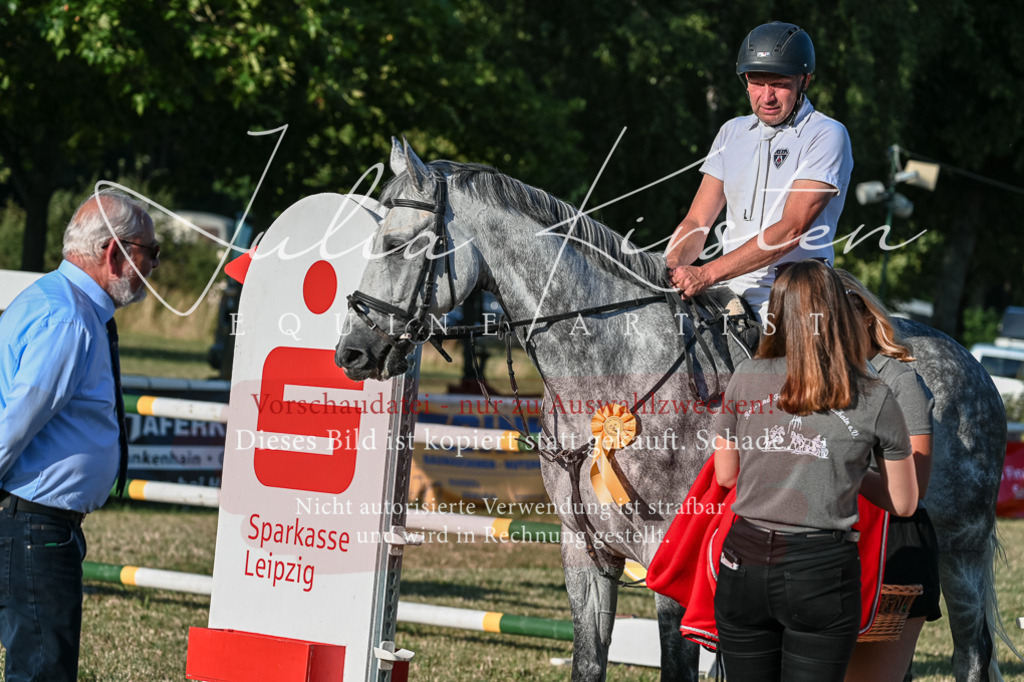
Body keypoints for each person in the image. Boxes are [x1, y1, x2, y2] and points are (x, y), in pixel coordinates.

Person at [711, 259, 918, 681]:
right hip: (821, 569)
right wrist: (846, 470)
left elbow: (726, 475)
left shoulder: (745, 376)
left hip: (743, 559)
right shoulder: (876, 395)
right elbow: (904, 503)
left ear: (777, 314)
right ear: (839, 314)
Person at [0, 190, 159, 681]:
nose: (154, 267)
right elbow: (14, 425)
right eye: (150, 252)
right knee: (43, 670)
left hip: (33, 522)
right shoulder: (69, 318)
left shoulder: (56, 301)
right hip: (33, 524)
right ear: (114, 252)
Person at [665, 21, 854, 321]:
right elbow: (698, 221)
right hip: (727, 292)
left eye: (778, 83)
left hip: (796, 298)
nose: (766, 97)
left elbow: (791, 229)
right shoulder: (731, 132)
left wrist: (706, 273)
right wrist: (669, 268)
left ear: (804, 80)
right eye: (756, 82)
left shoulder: (827, 134)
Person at [837, 270, 941, 682]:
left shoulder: (900, 380)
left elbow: (916, 485)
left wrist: (843, 467)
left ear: (866, 316)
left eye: (838, 317)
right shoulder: (814, 378)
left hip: (889, 544)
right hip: (826, 540)